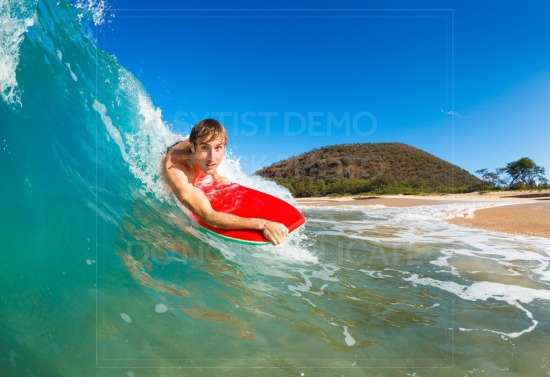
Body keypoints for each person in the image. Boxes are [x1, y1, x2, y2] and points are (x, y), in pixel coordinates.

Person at [162, 118, 289, 245]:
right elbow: (209, 216)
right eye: (204, 148)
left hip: (190, 146)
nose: (212, 157)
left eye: (218, 148)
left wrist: (216, 177)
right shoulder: (176, 170)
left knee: (209, 157)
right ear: (193, 147)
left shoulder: (206, 153)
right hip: (173, 152)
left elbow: (210, 159)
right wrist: (262, 224)